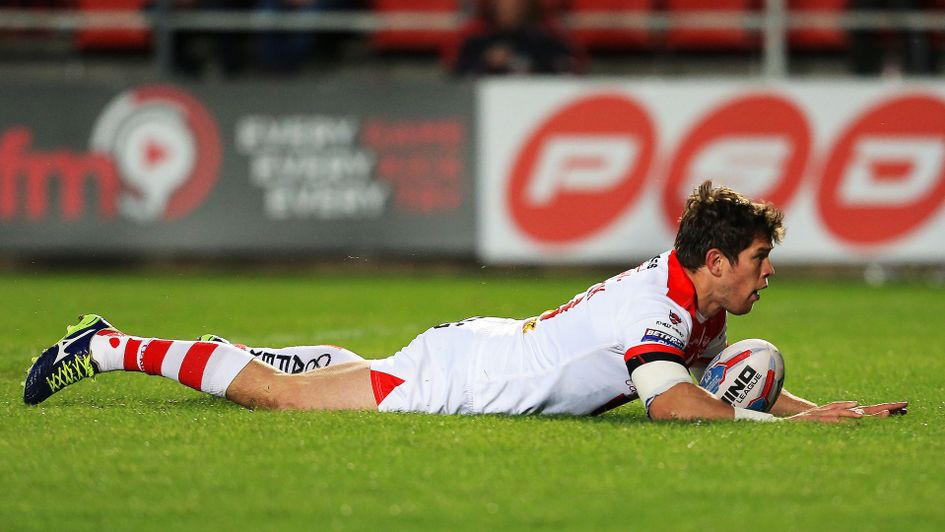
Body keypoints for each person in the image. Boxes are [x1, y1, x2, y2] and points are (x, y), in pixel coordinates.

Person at [24, 181, 907, 423]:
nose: (768, 273)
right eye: (758, 260)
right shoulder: (661, 311)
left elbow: (710, 374)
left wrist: (820, 408)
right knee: (278, 397)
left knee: (334, 374)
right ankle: (107, 344)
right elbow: (676, 405)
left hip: (480, 345)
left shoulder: (691, 302)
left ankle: (235, 349)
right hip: (464, 377)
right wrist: (779, 428)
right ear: (714, 262)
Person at [450, 0, 581, 77]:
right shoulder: (476, 44)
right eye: (503, 2)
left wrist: (533, 67)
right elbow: (456, 78)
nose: (509, 7)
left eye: (515, 3)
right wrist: (486, 64)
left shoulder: (547, 42)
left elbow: (567, 69)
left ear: (527, 5)